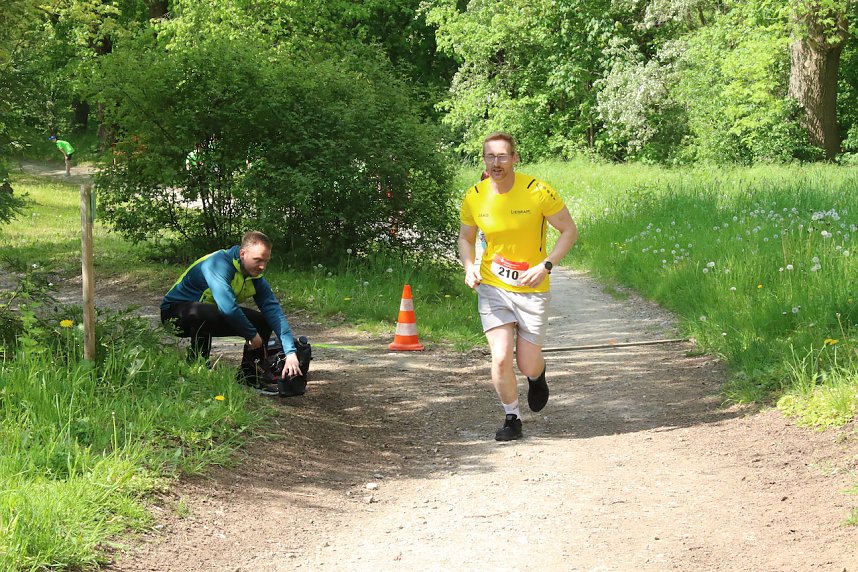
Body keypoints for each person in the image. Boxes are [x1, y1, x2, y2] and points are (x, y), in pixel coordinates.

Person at [458, 132, 578, 441]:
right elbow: (466, 238)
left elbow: (569, 230)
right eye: (490, 156)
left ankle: (537, 376)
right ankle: (512, 418)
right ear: (484, 160)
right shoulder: (474, 195)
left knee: (526, 363)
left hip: (532, 288)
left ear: (514, 158)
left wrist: (546, 265)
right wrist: (469, 267)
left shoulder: (537, 191)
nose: (496, 162)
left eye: (502, 156)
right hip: (493, 287)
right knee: (500, 357)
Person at [160, 231, 303, 395]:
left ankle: (249, 377)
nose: (262, 266)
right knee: (206, 312)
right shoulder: (218, 263)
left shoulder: (255, 277)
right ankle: (196, 366)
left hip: (209, 313)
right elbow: (228, 307)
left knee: (262, 322)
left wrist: (290, 352)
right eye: (258, 260)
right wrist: (251, 335)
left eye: (266, 261)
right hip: (174, 314)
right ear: (243, 254)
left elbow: (274, 313)